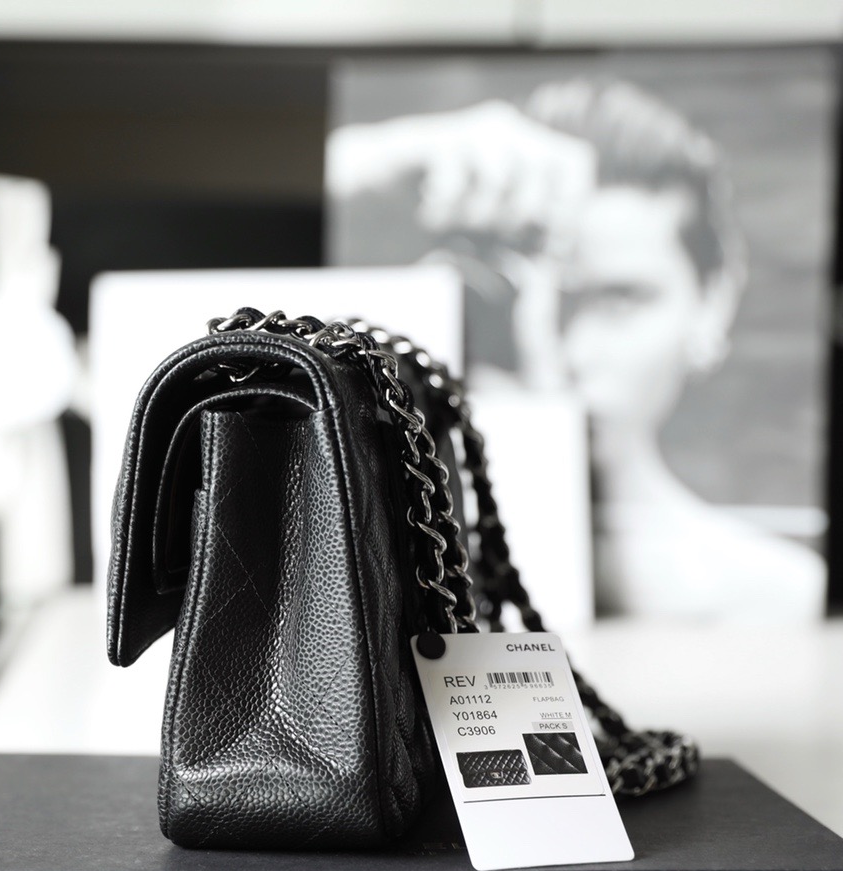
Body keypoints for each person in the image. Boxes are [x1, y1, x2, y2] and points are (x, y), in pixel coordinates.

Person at [328, 77, 825, 619]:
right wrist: (376, 164)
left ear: (713, 299)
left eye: (619, 300)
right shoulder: (367, 572)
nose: (565, 352)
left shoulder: (778, 594)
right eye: (523, 298)